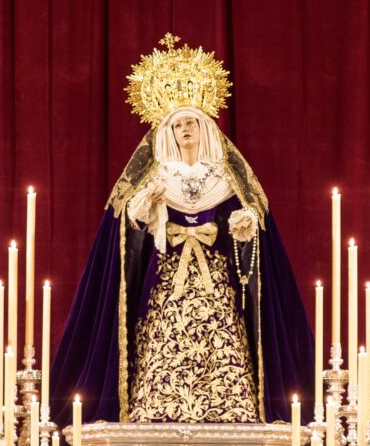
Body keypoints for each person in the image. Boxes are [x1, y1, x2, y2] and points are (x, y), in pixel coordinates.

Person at [50, 35, 313, 425]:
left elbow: (252, 240)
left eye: (191, 122)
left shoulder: (226, 179)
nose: (184, 129)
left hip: (216, 288)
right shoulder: (155, 177)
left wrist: (243, 229)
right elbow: (126, 238)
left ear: (204, 127)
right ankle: (156, 414)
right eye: (177, 125)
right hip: (166, 283)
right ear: (167, 133)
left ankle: (231, 415)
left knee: (224, 347)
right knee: (161, 346)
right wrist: (143, 208)